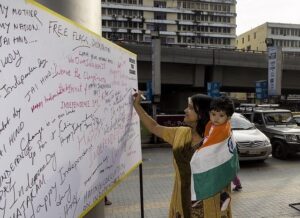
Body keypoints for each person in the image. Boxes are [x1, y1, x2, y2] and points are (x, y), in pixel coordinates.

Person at [133, 91, 232, 218]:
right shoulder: (180, 133)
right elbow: (154, 127)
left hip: (209, 208)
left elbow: (226, 176)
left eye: (190, 108)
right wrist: (137, 106)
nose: (185, 110)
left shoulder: (217, 141)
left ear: (201, 114)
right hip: (182, 204)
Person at [190, 96, 238, 213]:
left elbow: (211, 144)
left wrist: (200, 152)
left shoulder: (221, 129)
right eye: (213, 114)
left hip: (220, 158)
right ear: (209, 113)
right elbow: (209, 140)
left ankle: (211, 196)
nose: (216, 118)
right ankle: (219, 196)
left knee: (198, 165)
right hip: (221, 158)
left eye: (221, 115)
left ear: (228, 117)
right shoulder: (213, 125)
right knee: (214, 177)